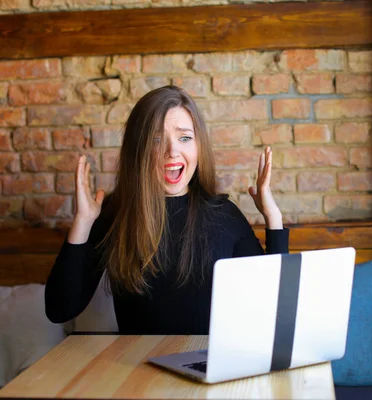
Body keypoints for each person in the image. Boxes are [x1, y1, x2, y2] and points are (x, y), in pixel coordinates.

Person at [45, 85, 289, 334]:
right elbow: (59, 309)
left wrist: (273, 218)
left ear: (198, 147)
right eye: (156, 139)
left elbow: (277, 307)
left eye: (185, 138)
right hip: (137, 367)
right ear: (137, 149)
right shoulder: (115, 215)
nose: (172, 151)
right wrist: (84, 222)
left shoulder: (224, 215)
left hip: (208, 366)